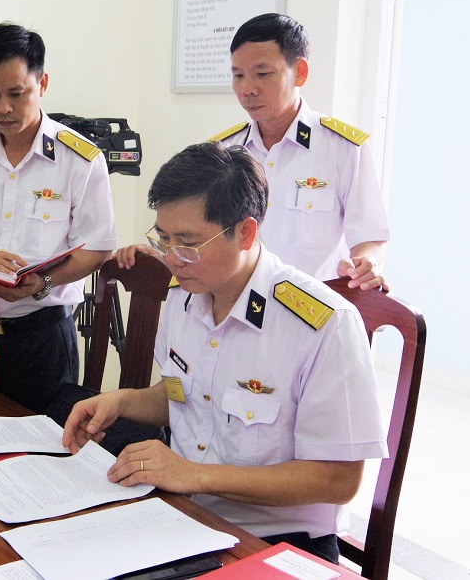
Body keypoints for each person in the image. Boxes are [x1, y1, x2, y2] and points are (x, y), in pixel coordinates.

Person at [62, 142, 386, 564]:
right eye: (163, 239)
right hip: (184, 515)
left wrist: (195, 475)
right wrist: (120, 402)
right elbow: (184, 395)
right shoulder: (184, 297)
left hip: (278, 542)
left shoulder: (322, 325)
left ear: (246, 233)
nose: (171, 258)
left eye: (188, 243)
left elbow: (338, 479)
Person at [0, 22, 115, 414]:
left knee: (41, 443)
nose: (3, 108)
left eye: (16, 94)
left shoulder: (79, 160)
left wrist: (41, 283)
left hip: (42, 340)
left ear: (42, 83)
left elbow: (97, 248)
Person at [210, 13, 390, 291]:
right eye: (238, 76)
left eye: (262, 74)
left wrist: (366, 263)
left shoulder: (343, 149)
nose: (247, 89)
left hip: (312, 310)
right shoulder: (223, 152)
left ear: (300, 72)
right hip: (237, 304)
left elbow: (370, 235)